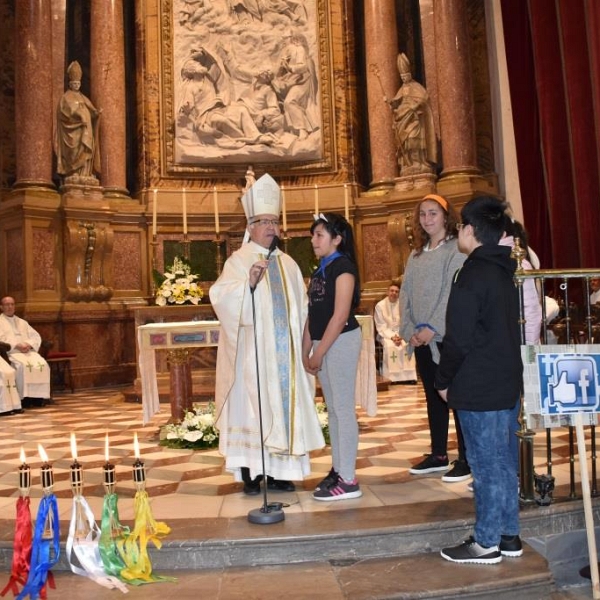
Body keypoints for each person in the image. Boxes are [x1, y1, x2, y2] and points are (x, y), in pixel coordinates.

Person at [209, 173, 324, 495]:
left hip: (285, 357)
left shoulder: (288, 263)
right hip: (252, 356)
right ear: (250, 227)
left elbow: (301, 309)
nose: (271, 228)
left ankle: (279, 473)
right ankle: (250, 471)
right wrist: (248, 284)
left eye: (275, 221)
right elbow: (221, 298)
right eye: (263, 222)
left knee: (284, 410)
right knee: (252, 409)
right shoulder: (238, 260)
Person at [436, 195, 523, 564]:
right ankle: (509, 535)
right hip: (505, 382)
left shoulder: (471, 273)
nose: (459, 231)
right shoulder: (504, 270)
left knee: (486, 465)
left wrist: (443, 379)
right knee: (503, 462)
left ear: (470, 230)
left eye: (460, 226)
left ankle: (486, 543)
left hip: (479, 385)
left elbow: (458, 337)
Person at [399, 194, 470, 482]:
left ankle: (467, 457)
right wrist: (410, 329)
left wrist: (433, 328)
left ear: (445, 216)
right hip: (421, 339)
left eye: (433, 213)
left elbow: (453, 292)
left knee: (455, 395)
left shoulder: (456, 250)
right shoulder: (415, 255)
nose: (427, 219)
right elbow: (405, 294)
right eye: (423, 215)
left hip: (443, 337)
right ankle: (439, 453)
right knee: (432, 396)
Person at [303, 212, 363, 501]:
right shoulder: (321, 269)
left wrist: (319, 351)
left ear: (337, 239)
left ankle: (349, 479)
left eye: (320, 235)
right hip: (324, 342)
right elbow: (311, 313)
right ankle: (339, 469)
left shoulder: (343, 268)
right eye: (313, 234)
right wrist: (306, 349)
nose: (313, 240)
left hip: (340, 341)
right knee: (334, 411)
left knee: (342, 409)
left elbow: (339, 317)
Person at [387, 53, 437, 176]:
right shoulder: (402, 89)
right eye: (402, 77)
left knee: (414, 140)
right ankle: (408, 164)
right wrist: (392, 103)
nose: (404, 79)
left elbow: (424, 97)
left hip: (415, 118)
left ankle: (419, 162)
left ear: (410, 74)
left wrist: (416, 104)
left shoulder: (417, 86)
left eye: (406, 76)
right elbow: (397, 101)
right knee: (407, 142)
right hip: (404, 118)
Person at [55, 61, 102, 180]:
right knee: (75, 149)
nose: (76, 85)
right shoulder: (66, 97)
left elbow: (90, 109)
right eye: (74, 83)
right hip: (74, 131)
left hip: (86, 128)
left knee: (86, 149)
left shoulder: (83, 97)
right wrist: (78, 115)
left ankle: (85, 173)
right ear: (70, 84)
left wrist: (96, 113)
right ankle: (73, 171)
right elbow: (65, 112)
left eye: (78, 83)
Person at [0, 297, 50, 406]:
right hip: (11, 353)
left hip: (28, 352)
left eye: (12, 304)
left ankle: (39, 397)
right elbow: (1, 340)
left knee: (42, 364)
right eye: (7, 304)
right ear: (1, 307)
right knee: (21, 366)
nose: (10, 307)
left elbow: (35, 336)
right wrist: (17, 345)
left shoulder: (22, 322)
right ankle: (24, 398)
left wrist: (28, 344)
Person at [273, 31, 318, 140]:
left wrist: (290, 67)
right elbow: (279, 72)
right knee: (285, 102)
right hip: (291, 82)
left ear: (292, 39)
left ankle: (302, 129)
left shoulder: (299, 49)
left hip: (302, 80)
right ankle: (297, 129)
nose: (284, 41)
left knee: (290, 102)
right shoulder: (287, 51)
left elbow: (302, 67)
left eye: (286, 39)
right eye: (283, 39)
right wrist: (282, 67)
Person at [374, 281, 416, 383]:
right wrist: (393, 337)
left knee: (407, 344)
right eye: (392, 291)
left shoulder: (402, 305)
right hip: (385, 335)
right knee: (390, 346)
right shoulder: (380, 306)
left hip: (401, 333)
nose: (394, 293)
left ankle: (409, 377)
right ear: (387, 292)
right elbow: (381, 326)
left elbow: (405, 322)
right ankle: (392, 378)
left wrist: (401, 336)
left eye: (396, 292)